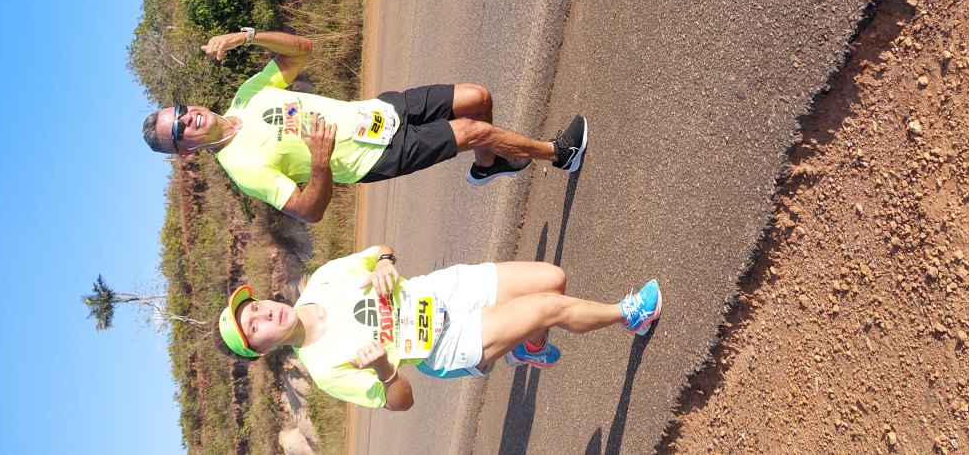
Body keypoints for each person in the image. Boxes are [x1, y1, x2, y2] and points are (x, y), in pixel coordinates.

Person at [141, 29, 588, 223]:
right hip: (374, 157)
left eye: (179, 111)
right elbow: (307, 211)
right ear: (185, 151)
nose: (187, 119)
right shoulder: (243, 168)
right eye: (178, 130)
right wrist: (319, 164)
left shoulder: (248, 94)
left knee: (477, 98)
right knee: (471, 129)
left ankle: (489, 167)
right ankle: (560, 154)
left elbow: (301, 50)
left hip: (378, 112)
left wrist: (248, 37)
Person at [217, 244, 663, 410]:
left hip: (444, 291)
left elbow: (381, 251)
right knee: (548, 306)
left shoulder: (323, 280)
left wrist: (386, 264)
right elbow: (401, 403)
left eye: (254, 308)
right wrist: (386, 372)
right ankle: (631, 315)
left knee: (552, 279)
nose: (263, 315)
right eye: (253, 328)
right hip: (444, 346)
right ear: (262, 350)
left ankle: (527, 348)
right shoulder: (325, 369)